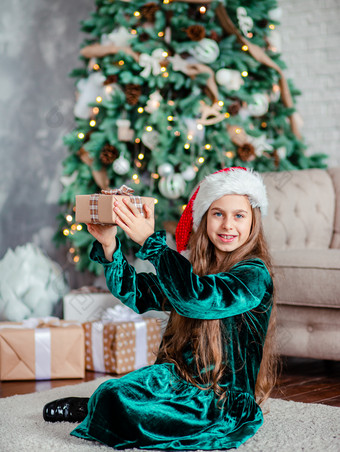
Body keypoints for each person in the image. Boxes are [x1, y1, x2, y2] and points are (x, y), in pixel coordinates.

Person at [43, 167, 277, 450]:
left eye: (239, 215)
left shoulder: (254, 274)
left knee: (121, 402)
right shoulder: (191, 270)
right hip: (178, 381)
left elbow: (196, 298)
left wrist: (150, 243)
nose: (228, 225)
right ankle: (102, 406)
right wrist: (109, 247)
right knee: (112, 392)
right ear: (204, 220)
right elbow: (138, 292)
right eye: (218, 214)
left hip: (221, 399)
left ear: (253, 223)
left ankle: (102, 409)